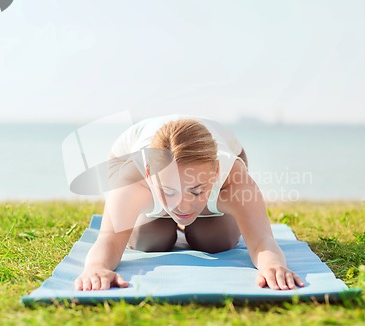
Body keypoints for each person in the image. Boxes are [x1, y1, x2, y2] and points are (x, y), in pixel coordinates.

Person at [75, 114, 305, 291]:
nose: (182, 207)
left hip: (217, 155)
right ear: (148, 172)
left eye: (196, 191)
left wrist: (272, 266)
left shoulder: (233, 179)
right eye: (169, 191)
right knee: (151, 240)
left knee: (216, 240)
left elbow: (261, 239)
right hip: (127, 159)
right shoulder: (131, 182)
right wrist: (97, 268)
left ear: (215, 172)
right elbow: (110, 240)